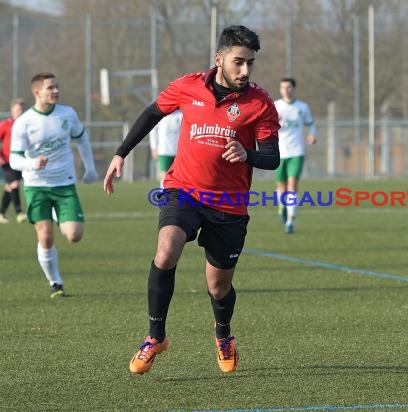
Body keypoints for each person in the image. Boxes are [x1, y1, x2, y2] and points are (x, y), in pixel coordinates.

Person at [103, 25, 280, 376]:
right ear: (220, 59)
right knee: (166, 250)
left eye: (250, 64)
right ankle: (156, 337)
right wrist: (121, 153)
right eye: (238, 62)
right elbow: (152, 113)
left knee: (218, 285)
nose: (245, 71)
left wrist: (246, 154)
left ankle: (223, 335)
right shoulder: (188, 86)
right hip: (183, 189)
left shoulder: (260, 103)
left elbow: (272, 158)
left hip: (228, 204)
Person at [10, 72, 98, 298]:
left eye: (57, 87)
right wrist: (32, 164)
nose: (56, 91)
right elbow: (14, 159)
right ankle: (55, 282)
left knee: (74, 235)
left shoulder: (68, 114)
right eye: (50, 88)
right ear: (37, 92)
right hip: (36, 186)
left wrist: (90, 168)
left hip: (65, 183)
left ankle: (58, 214)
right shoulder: (24, 122)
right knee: (46, 236)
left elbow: (82, 139)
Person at [274, 78, 316, 234]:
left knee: (292, 185)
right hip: (279, 152)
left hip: (297, 152)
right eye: (283, 87)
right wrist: (274, 122)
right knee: (281, 187)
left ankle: (291, 220)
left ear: (294, 89)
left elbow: (311, 125)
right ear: (280, 89)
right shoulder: (275, 106)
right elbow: (265, 126)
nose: (286, 90)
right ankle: (282, 207)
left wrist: (312, 135)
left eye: (289, 87)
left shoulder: (302, 107)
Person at [0, 98, 27, 224]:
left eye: (21, 109)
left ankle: (1, 213)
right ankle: (19, 212)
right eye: (17, 109)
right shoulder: (6, 124)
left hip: (21, 160)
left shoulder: (26, 124)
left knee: (10, 187)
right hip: (7, 160)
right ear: (12, 110)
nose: (20, 112)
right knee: (15, 183)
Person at [150, 109, 182, 182]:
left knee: (177, 177)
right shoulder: (160, 115)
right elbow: (153, 131)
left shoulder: (180, 115)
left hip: (178, 151)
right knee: (164, 176)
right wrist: (154, 148)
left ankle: (174, 193)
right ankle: (163, 192)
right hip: (164, 151)